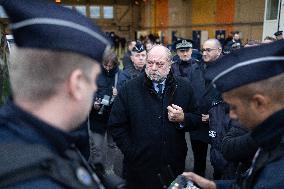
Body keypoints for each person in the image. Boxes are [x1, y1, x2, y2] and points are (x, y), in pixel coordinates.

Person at [0, 0, 112, 188]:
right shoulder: (37, 179)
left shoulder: (30, 142)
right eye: (93, 79)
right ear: (76, 84)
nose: (95, 88)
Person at [183, 40, 284, 189]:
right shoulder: (271, 136)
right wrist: (213, 185)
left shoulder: (278, 171)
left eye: (234, 107)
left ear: (259, 103)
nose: (232, 115)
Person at [108, 45, 201, 189]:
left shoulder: (184, 87)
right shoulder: (129, 88)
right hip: (138, 168)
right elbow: (116, 124)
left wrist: (183, 119)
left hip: (173, 166)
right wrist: (132, 151)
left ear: (170, 65)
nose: (153, 68)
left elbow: (197, 118)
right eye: (150, 63)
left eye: (159, 64)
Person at [171, 39, 208, 177]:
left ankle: (200, 176)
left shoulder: (200, 67)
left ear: (192, 51)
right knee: (176, 147)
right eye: (182, 50)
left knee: (200, 148)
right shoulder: (172, 67)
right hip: (176, 111)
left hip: (196, 111)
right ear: (177, 52)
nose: (185, 53)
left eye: (187, 50)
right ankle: (176, 175)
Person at [88, 50, 121, 174]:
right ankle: (97, 168)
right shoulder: (95, 73)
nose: (107, 68)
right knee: (96, 146)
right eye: (105, 65)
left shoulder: (120, 75)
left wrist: (118, 94)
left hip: (113, 117)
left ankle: (109, 168)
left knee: (112, 145)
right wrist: (93, 103)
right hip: (96, 116)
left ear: (115, 64)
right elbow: (88, 91)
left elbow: (126, 95)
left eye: (110, 65)